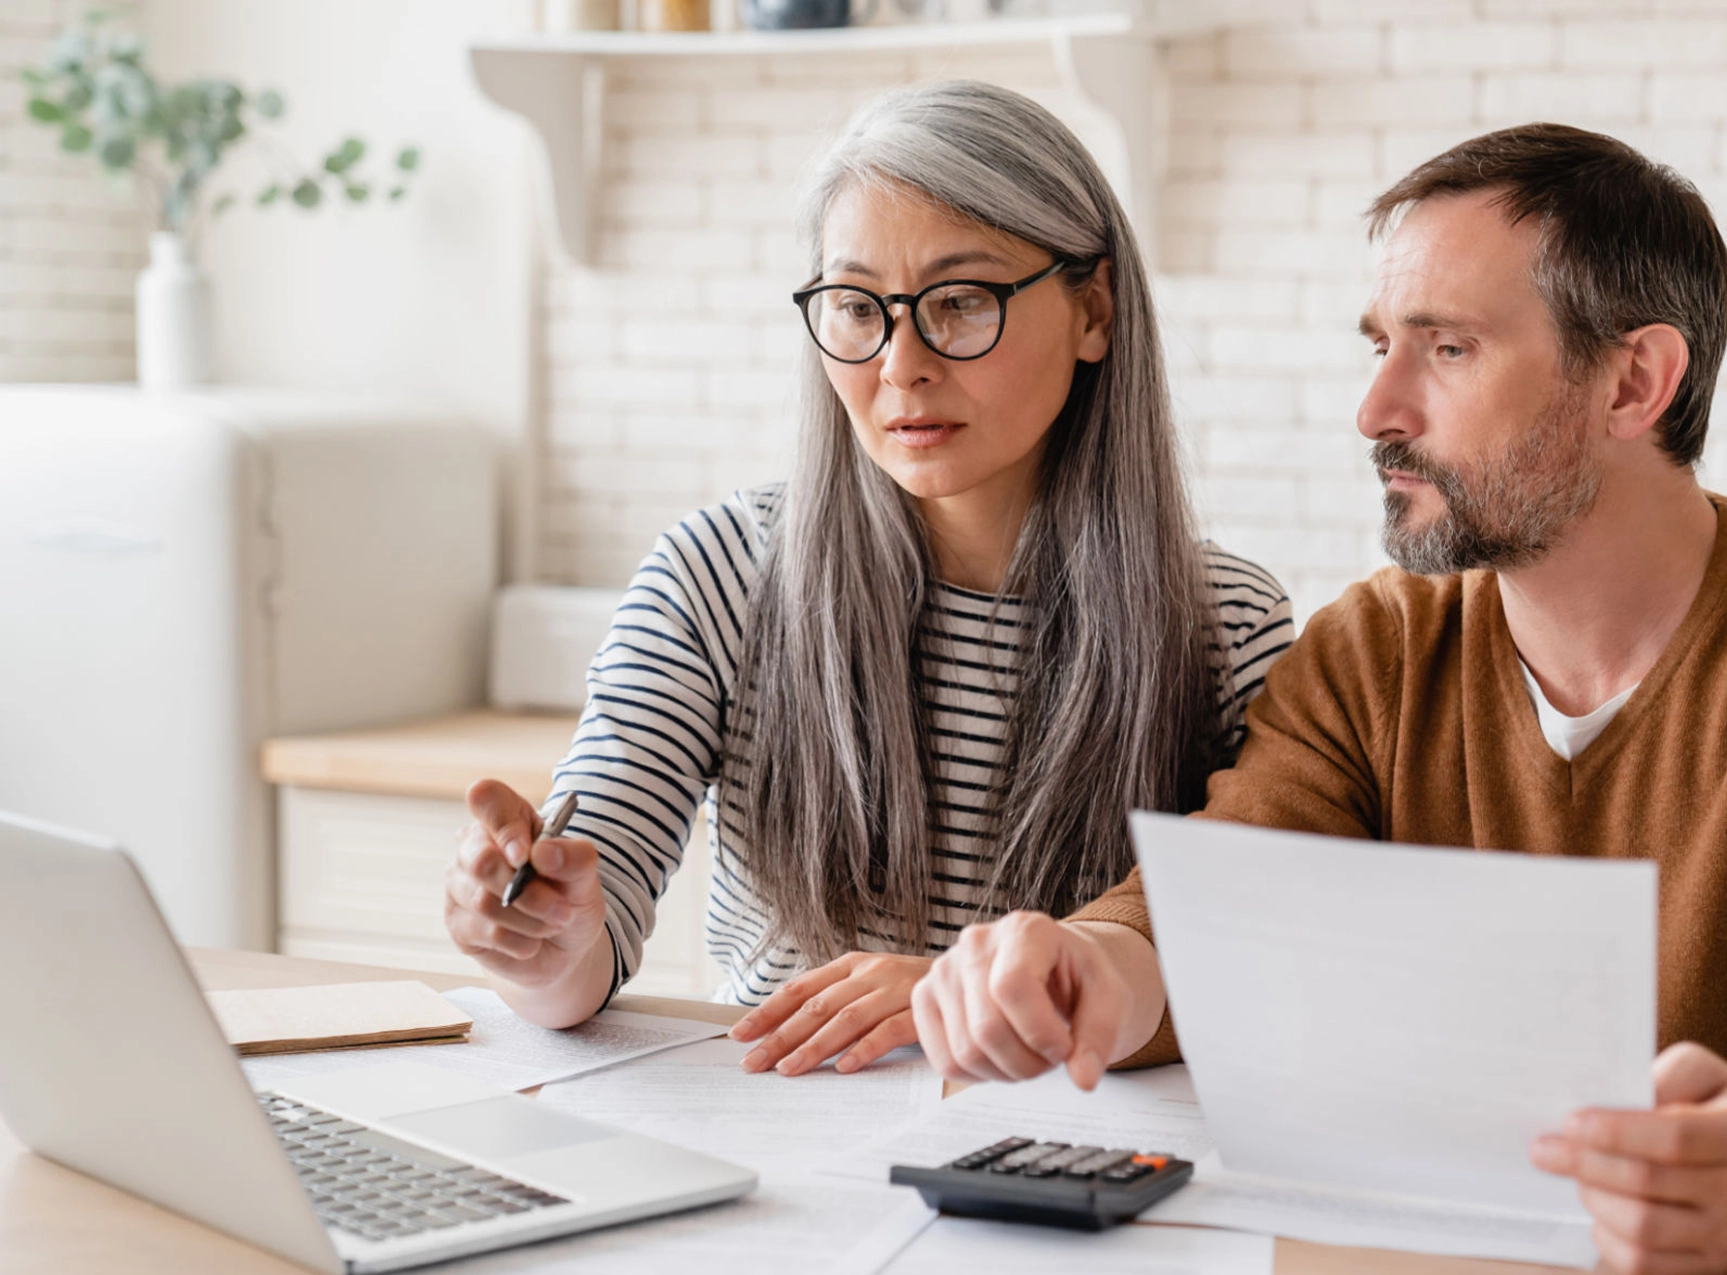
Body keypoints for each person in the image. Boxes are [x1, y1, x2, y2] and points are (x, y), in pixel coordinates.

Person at [909, 123, 1727, 1275]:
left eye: (1447, 349)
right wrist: (1079, 968)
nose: (1374, 409)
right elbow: (1221, 905)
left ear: (1633, 381)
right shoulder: (1375, 648)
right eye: (1378, 346)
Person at [440, 80, 1293, 1079]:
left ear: (1093, 309)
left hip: (1075, 1158)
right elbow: (584, 946)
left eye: (961, 302)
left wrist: (950, 1001)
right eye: (855, 308)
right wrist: (536, 932)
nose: (900, 365)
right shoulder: (721, 571)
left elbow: (1249, 967)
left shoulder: (1224, 623)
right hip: (791, 1139)